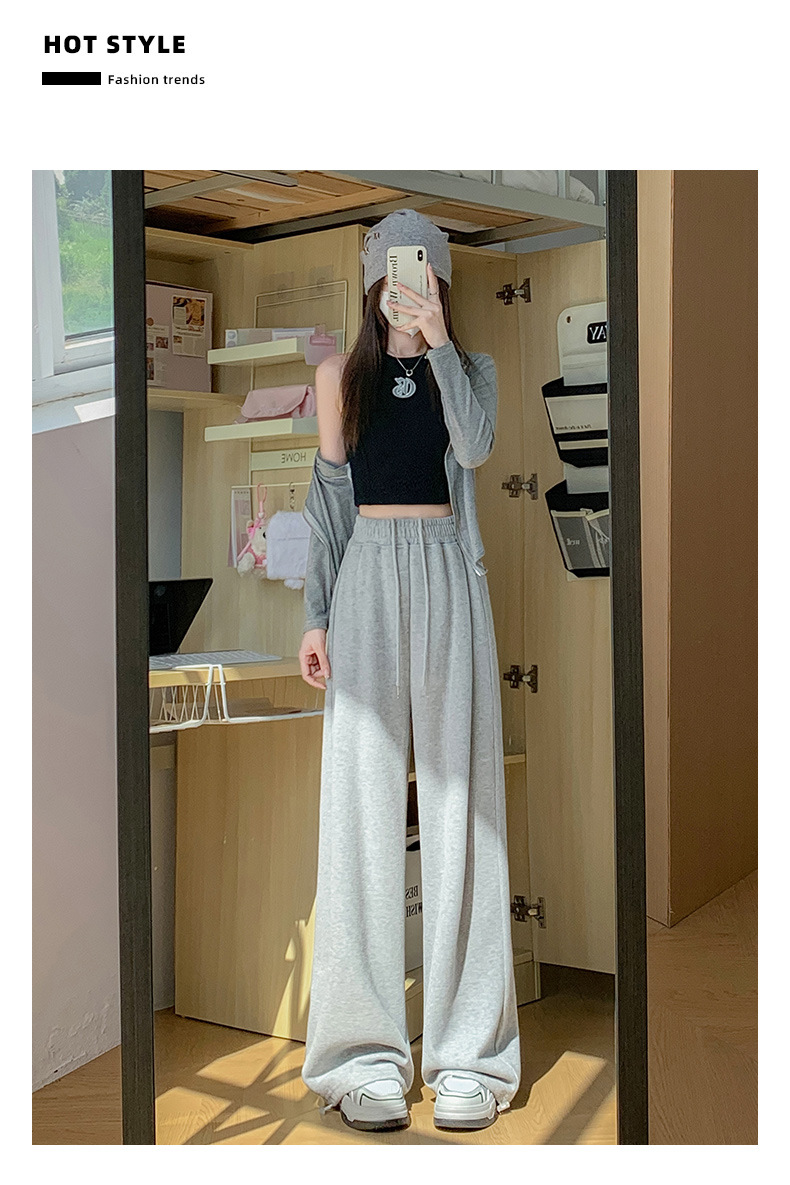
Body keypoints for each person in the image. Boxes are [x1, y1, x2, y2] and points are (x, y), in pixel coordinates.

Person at [298, 209, 521, 1133]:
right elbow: (326, 504)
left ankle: (470, 1053)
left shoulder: (472, 371)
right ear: (371, 280)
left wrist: (436, 345)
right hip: (364, 580)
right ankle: (360, 1057)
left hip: (447, 576)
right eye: (395, 271)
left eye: (423, 272)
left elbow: (473, 448)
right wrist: (315, 616)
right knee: (360, 812)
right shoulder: (336, 379)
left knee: (465, 807)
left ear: (440, 281)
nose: (407, 284)